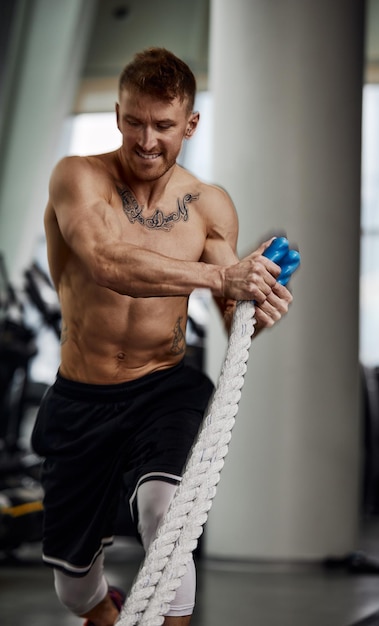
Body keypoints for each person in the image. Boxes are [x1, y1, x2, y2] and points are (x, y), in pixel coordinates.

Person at [31, 47, 294, 626]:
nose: (147, 140)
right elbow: (106, 261)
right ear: (119, 114)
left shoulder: (209, 205)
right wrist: (222, 276)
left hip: (163, 390)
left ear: (190, 125)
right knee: (74, 589)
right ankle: (105, 611)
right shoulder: (78, 177)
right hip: (82, 397)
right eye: (134, 121)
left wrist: (254, 306)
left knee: (165, 514)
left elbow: (234, 304)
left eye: (164, 126)